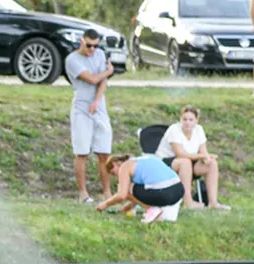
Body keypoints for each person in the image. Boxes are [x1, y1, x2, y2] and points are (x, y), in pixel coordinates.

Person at [65, 28, 116, 203]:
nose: (92, 49)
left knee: (104, 152)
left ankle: (107, 193)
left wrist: (97, 100)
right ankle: (83, 193)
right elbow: (93, 79)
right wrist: (109, 71)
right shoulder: (72, 60)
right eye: (89, 45)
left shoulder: (100, 54)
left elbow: (102, 82)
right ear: (82, 42)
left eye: (95, 45)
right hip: (81, 107)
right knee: (82, 152)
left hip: (99, 106)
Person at [155, 105, 230, 211]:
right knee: (185, 162)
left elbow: (203, 151)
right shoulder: (174, 129)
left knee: (212, 164)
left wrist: (207, 158)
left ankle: (213, 202)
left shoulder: (199, 130)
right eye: (184, 119)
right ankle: (188, 202)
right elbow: (180, 153)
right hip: (167, 162)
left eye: (191, 120)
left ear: (196, 120)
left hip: (190, 161)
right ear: (181, 119)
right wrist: (201, 156)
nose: (187, 122)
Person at [96, 153, 184, 224]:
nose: (116, 176)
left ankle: (151, 209)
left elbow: (122, 195)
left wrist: (105, 204)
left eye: (113, 173)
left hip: (163, 193)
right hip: (178, 191)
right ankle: (158, 212)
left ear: (114, 163)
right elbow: (143, 191)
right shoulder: (142, 160)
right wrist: (129, 206)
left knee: (127, 187)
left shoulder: (125, 167)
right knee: (165, 219)